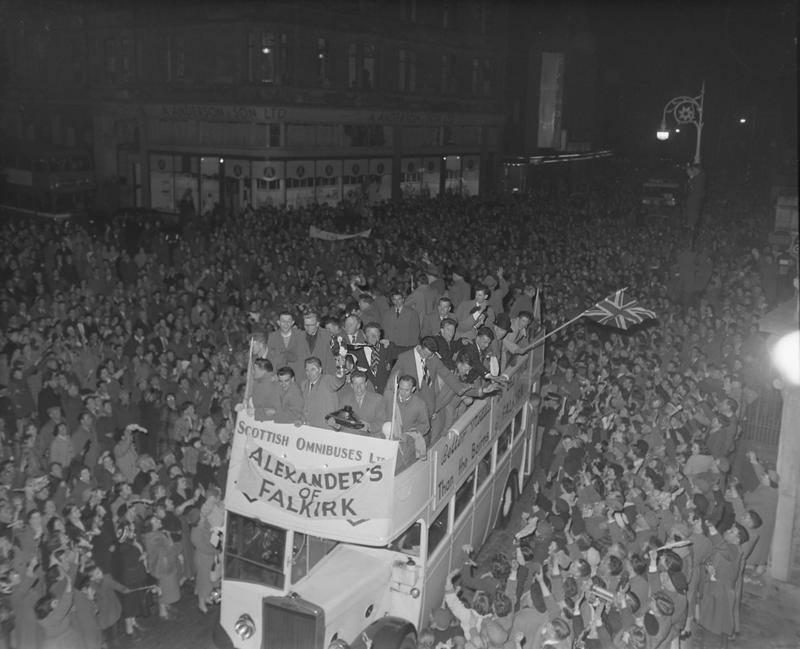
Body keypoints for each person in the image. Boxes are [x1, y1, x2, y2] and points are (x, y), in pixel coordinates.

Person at [335, 371, 386, 436]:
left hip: (370, 437)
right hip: (349, 437)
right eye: (355, 384)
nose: (358, 387)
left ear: (366, 384)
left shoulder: (378, 399)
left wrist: (369, 427)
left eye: (361, 383)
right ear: (351, 385)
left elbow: (381, 420)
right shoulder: (344, 399)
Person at [301, 357, 345, 429]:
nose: (309, 373)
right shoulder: (304, 384)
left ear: (320, 370)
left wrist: (341, 367)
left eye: (313, 369)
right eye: (307, 370)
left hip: (325, 429)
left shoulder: (327, 380)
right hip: (308, 429)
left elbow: (338, 381)